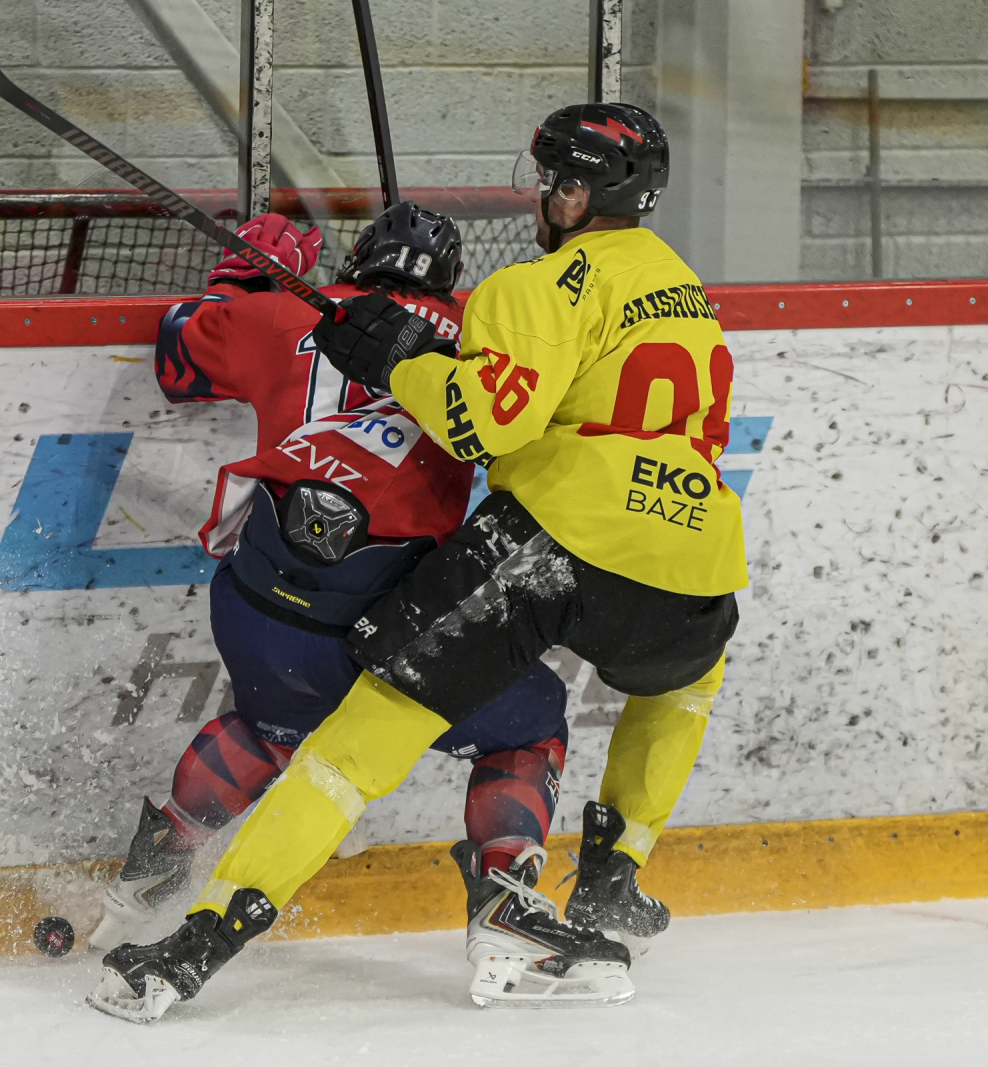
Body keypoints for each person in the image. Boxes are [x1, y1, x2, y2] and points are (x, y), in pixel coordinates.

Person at [89, 102, 745, 1021]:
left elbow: (485, 421)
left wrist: (400, 360)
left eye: (551, 182)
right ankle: (612, 877)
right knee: (684, 687)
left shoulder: (529, 289)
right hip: (698, 560)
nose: (542, 197)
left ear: (572, 194)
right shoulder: (687, 291)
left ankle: (197, 942)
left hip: (551, 546)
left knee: (352, 751)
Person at [85, 204, 577, 964]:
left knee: (268, 722)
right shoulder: (476, 346)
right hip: (381, 636)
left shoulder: (284, 312)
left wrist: (245, 279)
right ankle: (505, 905)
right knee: (533, 716)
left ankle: (149, 872)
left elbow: (178, 353)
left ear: (355, 261)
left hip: (256, 614)